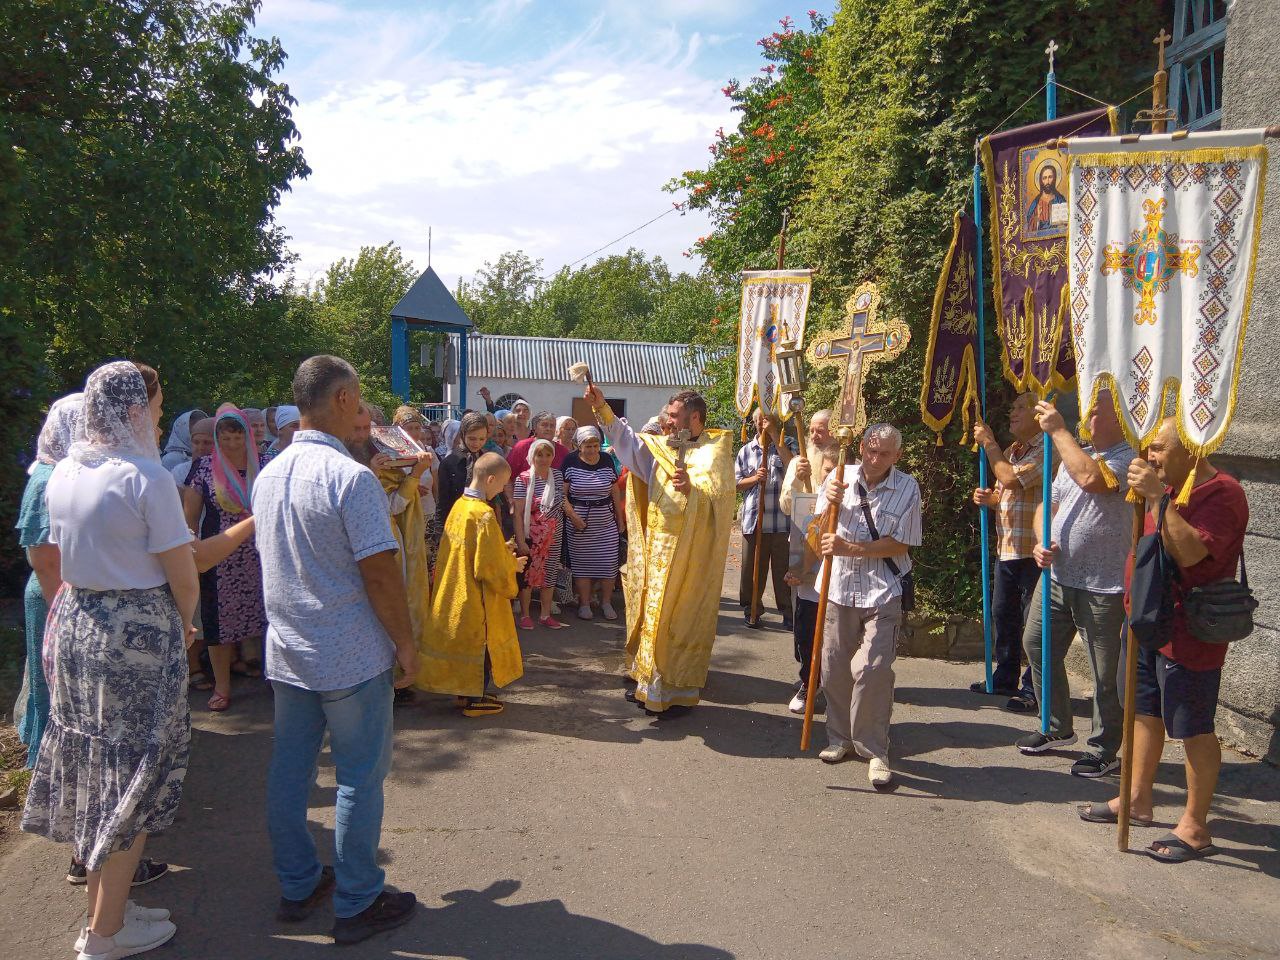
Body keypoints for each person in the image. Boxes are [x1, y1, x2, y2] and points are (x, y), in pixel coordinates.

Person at [23, 361, 198, 959]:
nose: (158, 414)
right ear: (132, 409)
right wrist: (187, 626)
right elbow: (183, 573)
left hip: (77, 627)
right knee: (134, 778)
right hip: (136, 635)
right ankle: (105, 935)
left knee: (99, 771)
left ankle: (106, 910)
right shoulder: (145, 476)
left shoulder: (64, 470)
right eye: (155, 403)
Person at [253, 355, 419, 945]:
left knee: (291, 771)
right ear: (344, 399)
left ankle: (298, 883)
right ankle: (357, 897)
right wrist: (406, 643)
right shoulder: (351, 478)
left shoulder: (268, 473)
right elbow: (379, 572)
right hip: (347, 654)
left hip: (289, 651)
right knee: (358, 777)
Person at [1077, 418, 1249, 861]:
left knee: (1191, 725)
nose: (1151, 456)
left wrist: (1156, 496)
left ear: (1191, 449)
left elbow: (1191, 552)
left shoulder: (1223, 492)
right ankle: (1137, 799)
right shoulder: (1166, 487)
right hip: (1147, 619)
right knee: (1144, 712)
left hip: (1191, 627)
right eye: (1149, 448)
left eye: (1159, 448)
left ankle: (1194, 825)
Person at [587, 384, 734, 714]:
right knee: (652, 614)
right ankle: (648, 685)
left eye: (673, 415)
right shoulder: (661, 448)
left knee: (679, 619)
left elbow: (722, 502)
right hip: (656, 550)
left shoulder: (715, 451)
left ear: (693, 417)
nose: (667, 421)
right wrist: (603, 410)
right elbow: (627, 443)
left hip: (691, 557)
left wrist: (693, 490)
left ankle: (676, 691)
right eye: (667, 415)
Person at [1017, 391, 1135, 778]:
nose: (1089, 416)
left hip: (1105, 584)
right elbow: (1045, 507)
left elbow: (1091, 480)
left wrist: (1057, 432)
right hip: (1057, 575)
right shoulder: (1072, 453)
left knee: (1105, 673)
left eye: (1097, 411)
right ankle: (1055, 726)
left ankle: (1105, 749)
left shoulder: (1129, 458)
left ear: (1120, 418)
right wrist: (1039, 539)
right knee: (1036, 644)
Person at [816, 423, 922, 787]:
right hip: (839, 586)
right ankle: (839, 738)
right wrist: (826, 501)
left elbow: (902, 544)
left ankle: (875, 749)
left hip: (883, 588)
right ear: (861, 446)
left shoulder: (907, 487)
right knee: (833, 668)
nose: (876, 459)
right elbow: (815, 531)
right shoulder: (839, 475)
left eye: (885, 453)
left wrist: (852, 548)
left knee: (874, 669)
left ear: (897, 456)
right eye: (871, 450)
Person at [417, 452, 528, 716]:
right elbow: (488, 567)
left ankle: (464, 692)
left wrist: (502, 549)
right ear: (491, 479)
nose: (501, 491)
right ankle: (473, 698)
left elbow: (476, 551)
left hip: (455, 588)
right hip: (476, 596)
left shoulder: (460, 506)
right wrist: (512, 565)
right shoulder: (484, 515)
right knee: (482, 647)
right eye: (501, 485)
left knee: (464, 645)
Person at [183, 405, 268, 711]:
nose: (232, 444)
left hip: (263, 555)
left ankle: (276, 678)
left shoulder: (267, 463)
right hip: (220, 558)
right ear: (217, 438)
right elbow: (190, 516)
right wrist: (190, 549)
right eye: (226, 438)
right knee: (219, 623)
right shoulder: (204, 468)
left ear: (248, 435)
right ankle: (222, 686)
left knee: (270, 615)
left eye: (237, 437)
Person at [969, 392, 1048, 712]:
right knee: (1004, 615)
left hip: (1034, 549)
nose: (1012, 413)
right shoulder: (1014, 450)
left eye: (1020, 408)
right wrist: (988, 500)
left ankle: (1035, 688)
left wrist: (988, 443)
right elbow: (1004, 492)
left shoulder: (1046, 448)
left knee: (1035, 624)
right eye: (1012, 406)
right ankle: (1005, 677)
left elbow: (1011, 480)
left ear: (1038, 415)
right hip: (1009, 547)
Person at [16, 393, 82, 769]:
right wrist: (67, 613)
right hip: (51, 594)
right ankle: (46, 768)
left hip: (59, 591)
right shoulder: (47, 477)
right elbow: (42, 557)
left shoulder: (60, 470)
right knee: (51, 683)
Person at [778, 408, 837, 714]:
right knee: (805, 625)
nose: (814, 436)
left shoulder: (845, 461)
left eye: (821, 430)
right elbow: (787, 505)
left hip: (836, 553)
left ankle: (834, 685)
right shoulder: (801, 461)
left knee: (835, 628)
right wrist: (799, 482)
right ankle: (808, 681)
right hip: (804, 549)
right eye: (811, 430)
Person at [736, 409, 797, 628]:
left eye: (767, 419)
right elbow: (735, 483)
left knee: (783, 569)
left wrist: (774, 437)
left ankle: (788, 611)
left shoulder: (787, 443)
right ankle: (752, 609)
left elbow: (794, 468)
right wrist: (754, 478)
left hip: (782, 521)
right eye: (759, 420)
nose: (763, 423)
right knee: (751, 570)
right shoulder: (746, 451)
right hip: (754, 520)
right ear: (753, 424)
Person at [563, 425, 622, 621]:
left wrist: (619, 518)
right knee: (582, 565)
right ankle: (585, 604)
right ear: (579, 446)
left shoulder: (606, 459)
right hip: (579, 524)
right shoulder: (570, 461)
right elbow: (562, 495)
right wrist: (573, 517)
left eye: (595, 445)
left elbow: (614, 490)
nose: (592, 450)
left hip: (605, 522)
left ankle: (606, 602)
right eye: (587, 446)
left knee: (608, 563)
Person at [513, 439, 567, 630]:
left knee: (550, 574)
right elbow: (518, 514)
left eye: (548, 455)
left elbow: (562, 503)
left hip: (554, 535)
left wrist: (576, 519)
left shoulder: (558, 476)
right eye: (539, 455)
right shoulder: (524, 478)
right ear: (532, 456)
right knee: (528, 576)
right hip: (531, 536)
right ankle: (526, 615)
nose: (544, 459)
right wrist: (521, 540)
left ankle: (545, 615)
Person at [437, 411, 489, 527]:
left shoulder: (487, 460)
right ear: (462, 435)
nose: (477, 443)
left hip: (483, 521)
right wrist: (440, 535)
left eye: (481, 439)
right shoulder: (450, 462)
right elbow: (443, 502)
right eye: (472, 438)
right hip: (457, 522)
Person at [170, 417, 213, 486]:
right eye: (196, 442)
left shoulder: (228, 472)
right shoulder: (180, 471)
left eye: (207, 442)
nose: (200, 447)